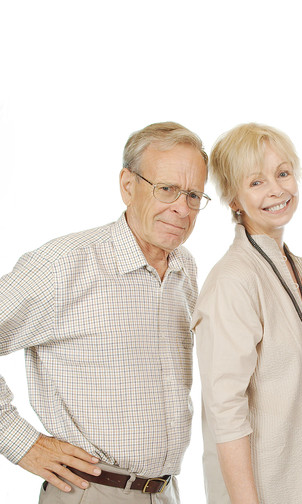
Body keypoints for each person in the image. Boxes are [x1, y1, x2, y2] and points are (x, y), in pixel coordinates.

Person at [0, 122, 209, 503]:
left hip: (165, 491)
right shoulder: (64, 264)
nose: (182, 208)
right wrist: (20, 442)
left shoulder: (185, 268)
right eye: (167, 189)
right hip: (91, 491)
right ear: (128, 185)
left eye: (194, 195)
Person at [192, 123, 302, 504]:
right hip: (268, 492)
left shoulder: (297, 270)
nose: (277, 190)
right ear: (234, 199)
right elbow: (225, 409)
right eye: (256, 182)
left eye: (283, 173)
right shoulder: (234, 280)